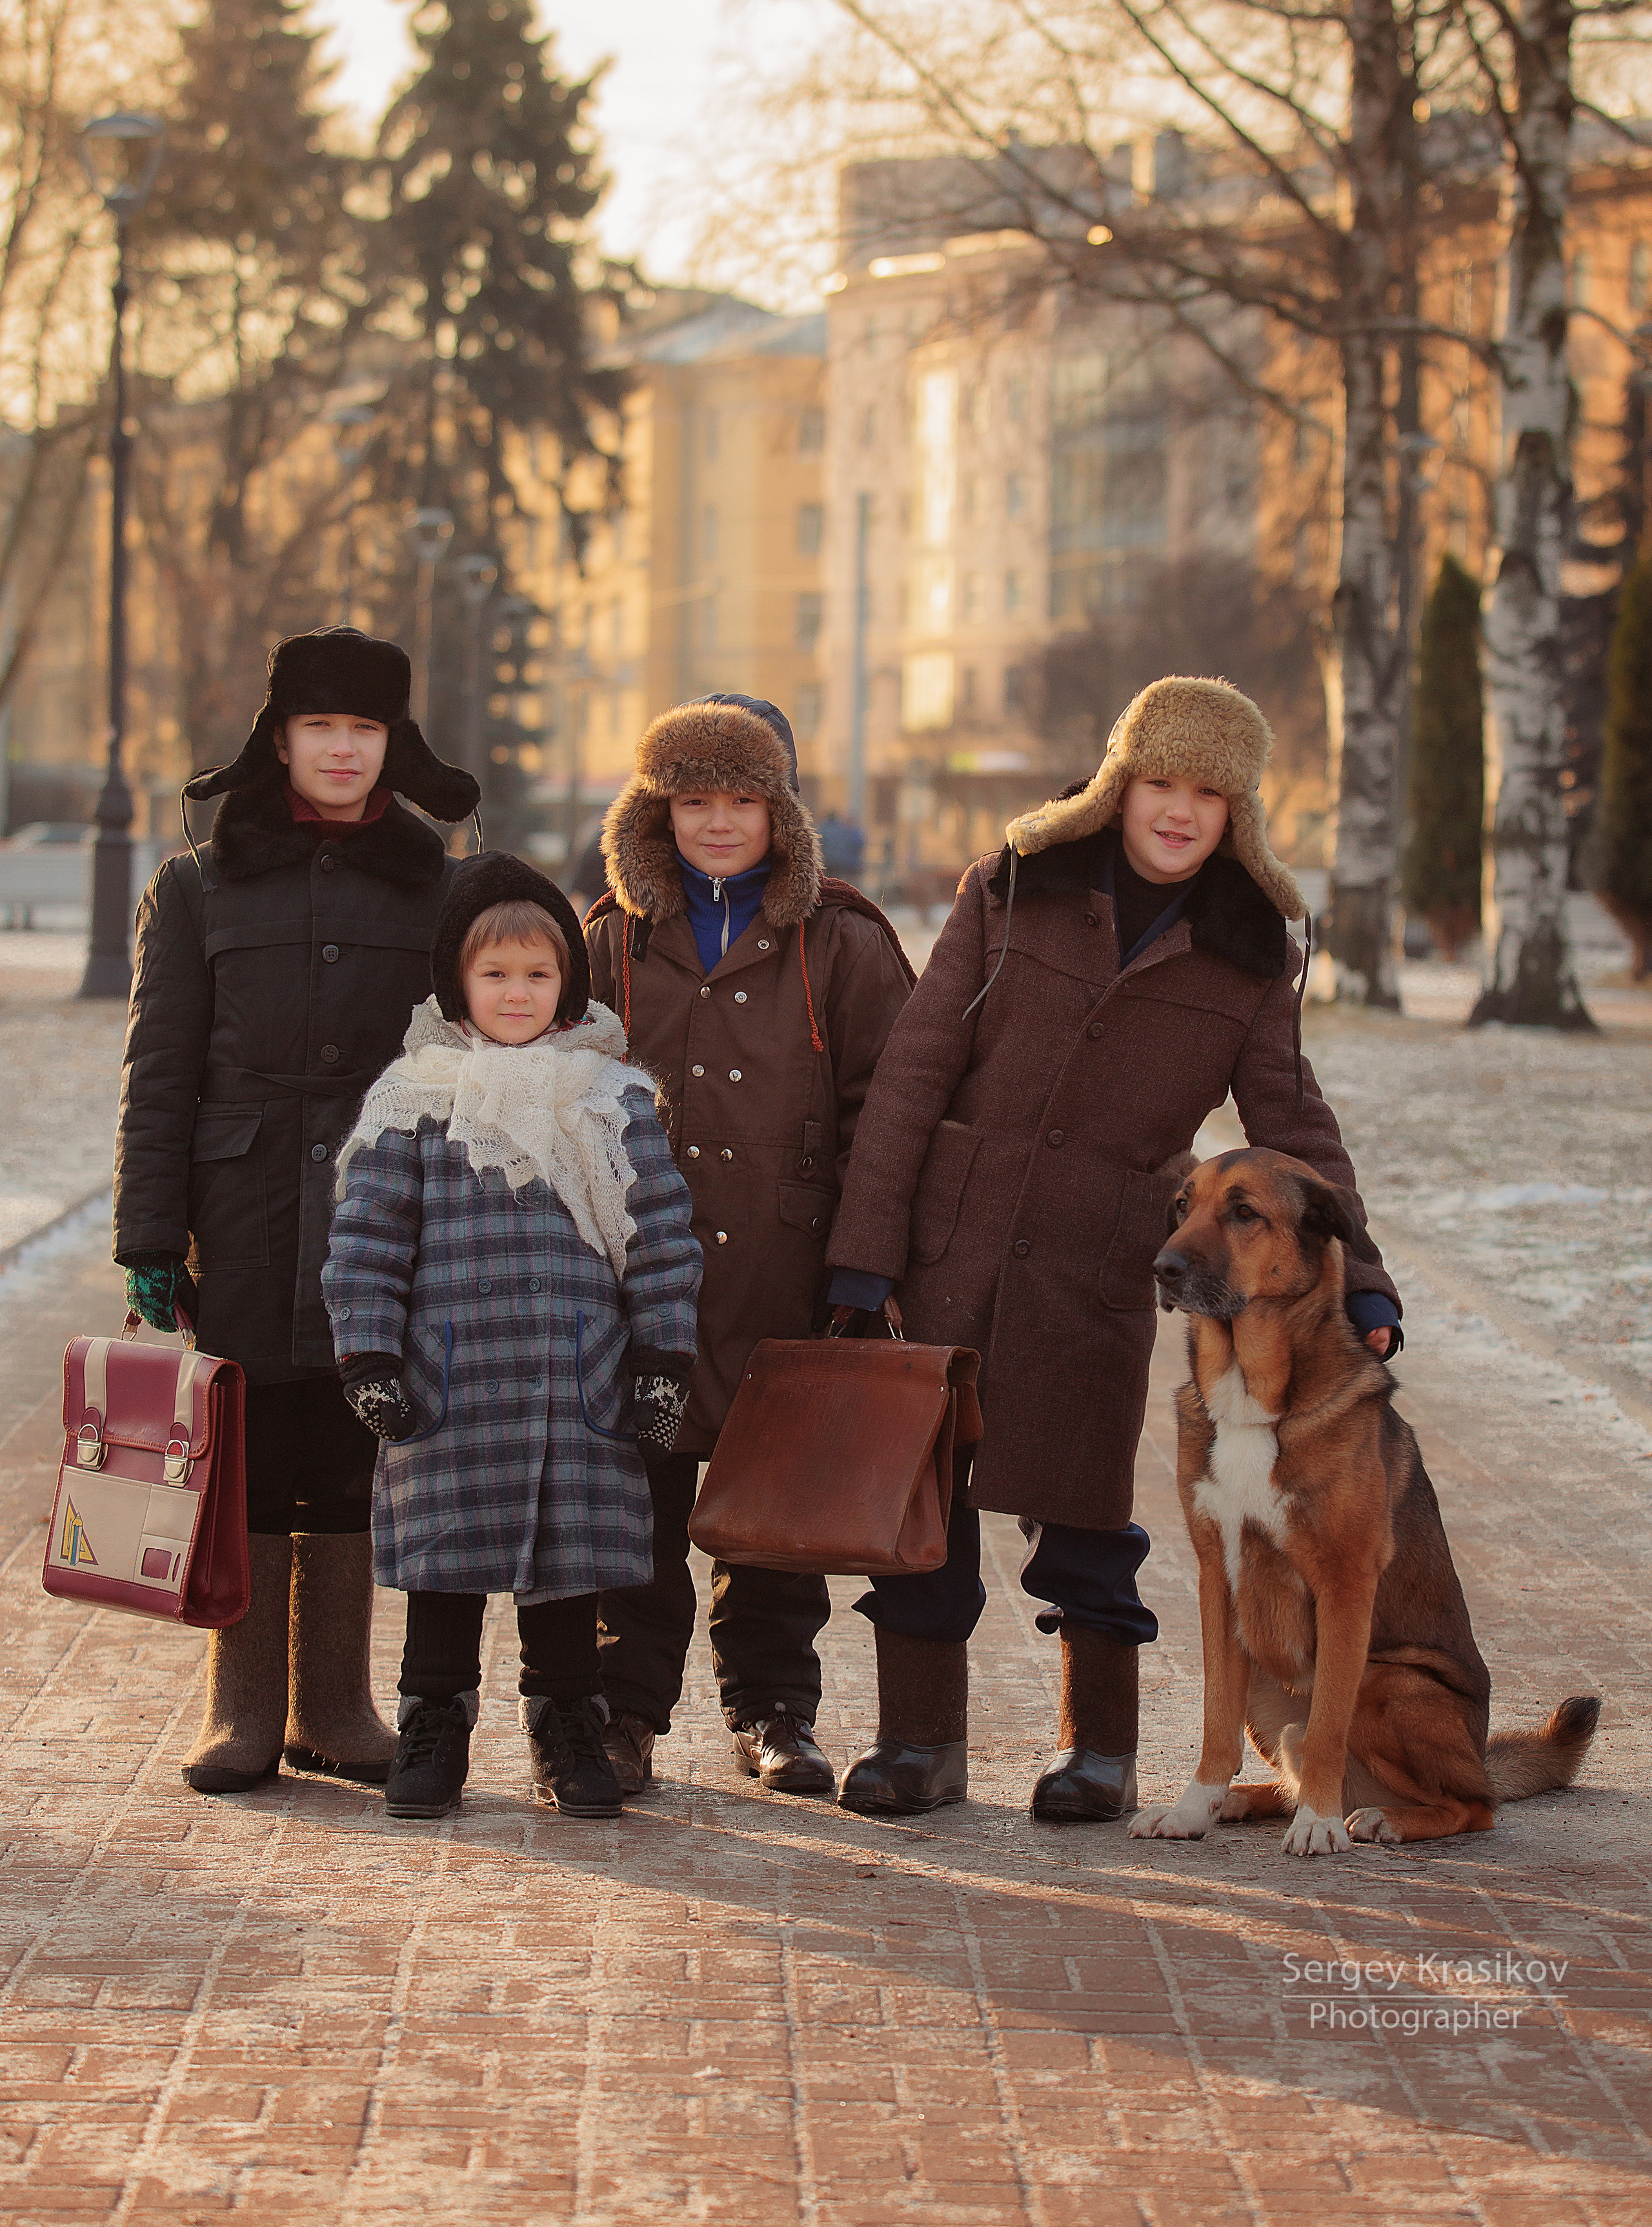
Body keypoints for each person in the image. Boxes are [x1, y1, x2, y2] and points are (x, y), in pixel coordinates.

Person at [824, 676, 1402, 1822]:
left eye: (1210, 792)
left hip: (1097, 1264)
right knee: (919, 1505)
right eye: (1162, 782)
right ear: (1119, 784)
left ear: (1239, 812)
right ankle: (919, 1741)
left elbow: (1293, 1128)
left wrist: (1365, 1277)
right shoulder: (1016, 883)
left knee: (1084, 1514)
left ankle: (1101, 1750)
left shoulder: (1249, 951)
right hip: (956, 1238)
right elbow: (913, 1071)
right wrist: (865, 1253)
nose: (1180, 811)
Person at [114, 628, 480, 1796]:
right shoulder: (198, 882)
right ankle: (242, 1707)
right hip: (244, 1196)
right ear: (279, 740)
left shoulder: (440, 880)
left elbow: (475, 1055)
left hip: (384, 1209)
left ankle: (335, 1705)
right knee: (248, 1455)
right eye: (320, 727)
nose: (341, 749)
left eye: (363, 729)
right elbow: (160, 1067)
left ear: (392, 744)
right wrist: (144, 1235)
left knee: (355, 1446)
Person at [321, 854, 701, 1820]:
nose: (518, 993)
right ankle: (434, 1721)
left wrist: (661, 1358)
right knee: (445, 1569)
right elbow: (366, 1238)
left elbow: (658, 1238)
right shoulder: (416, 1097)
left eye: (539, 974)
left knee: (567, 1570)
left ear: (568, 980)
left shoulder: (611, 1096)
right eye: (496, 975)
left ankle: (567, 1719)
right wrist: (368, 1352)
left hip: (579, 1385)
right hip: (453, 1385)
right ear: (459, 981)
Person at [583, 692, 914, 1795]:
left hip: (791, 1273)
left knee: (776, 1512)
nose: (719, 822)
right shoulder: (613, 938)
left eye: (743, 798)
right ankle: (623, 1709)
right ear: (658, 809)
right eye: (694, 800)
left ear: (782, 808)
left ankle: (775, 1709)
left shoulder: (845, 941)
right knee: (635, 1504)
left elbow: (894, 1110)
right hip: (642, 1286)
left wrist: (865, 1262)